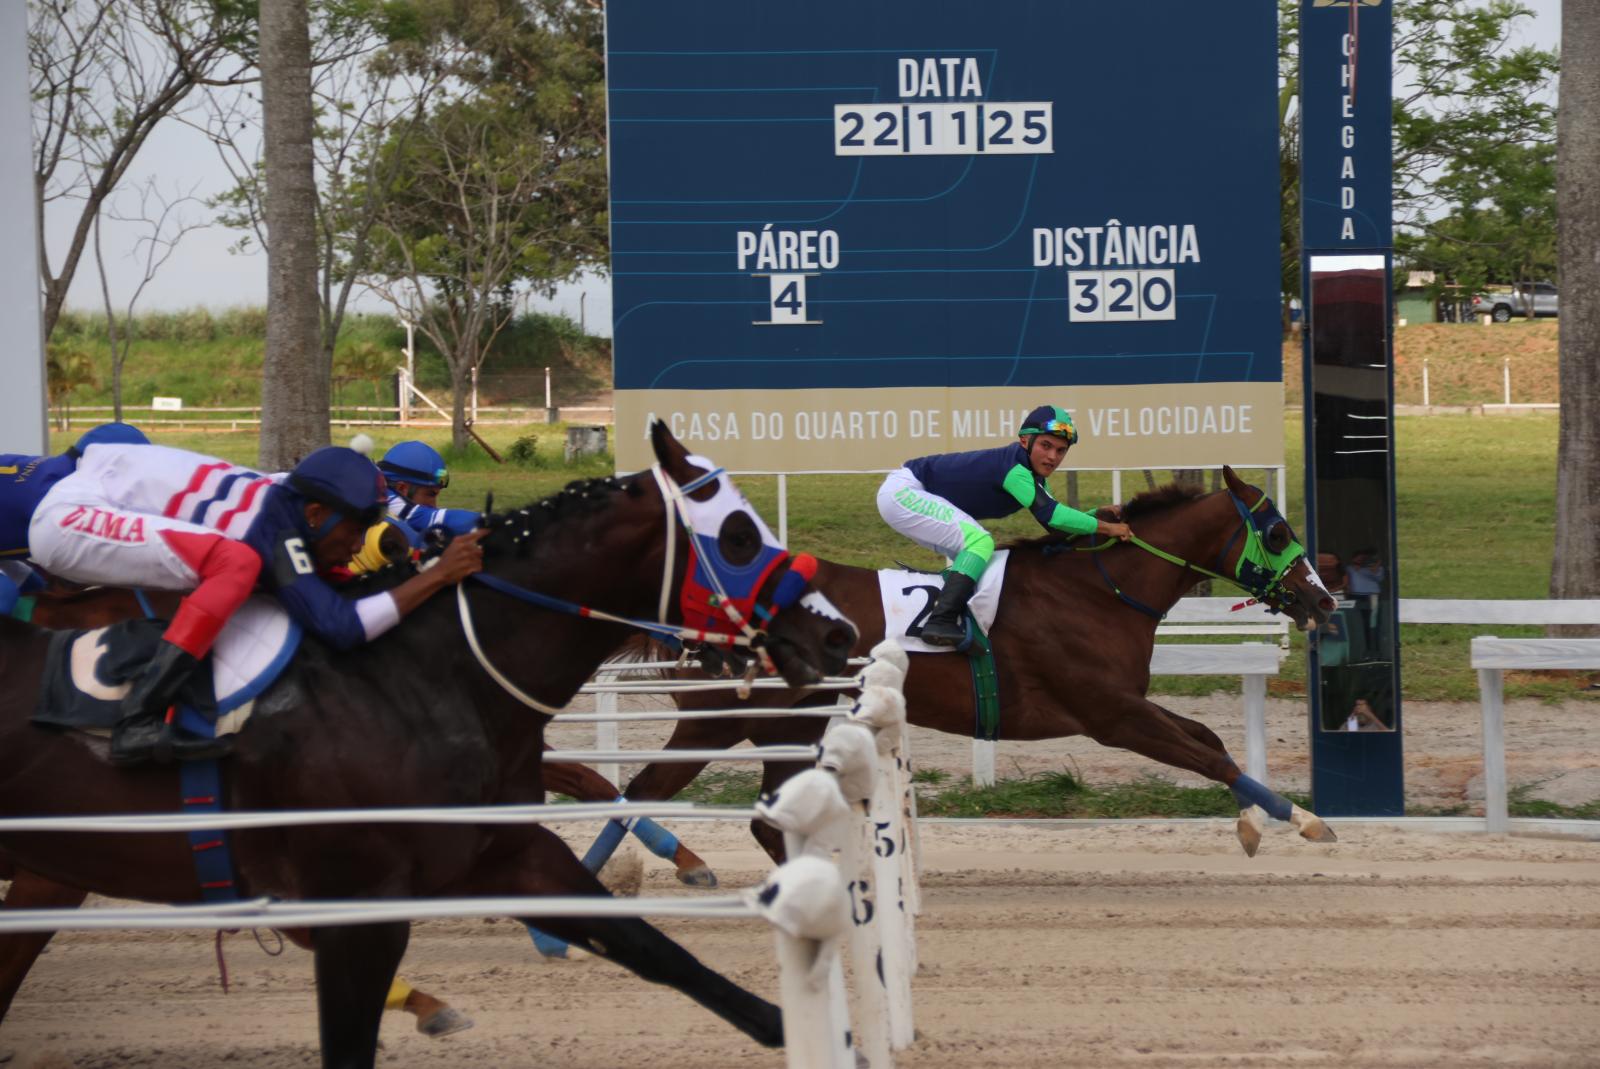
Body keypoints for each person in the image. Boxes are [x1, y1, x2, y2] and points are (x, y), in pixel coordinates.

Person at [19, 440, 486, 764]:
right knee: (238, 564)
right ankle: (140, 716)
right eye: (354, 530)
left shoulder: (298, 498)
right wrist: (440, 575)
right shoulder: (273, 531)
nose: (357, 543)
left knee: (244, 570)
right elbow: (342, 626)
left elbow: (335, 585)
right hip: (67, 517)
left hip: (111, 480)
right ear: (316, 514)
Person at [876, 404, 1133, 647]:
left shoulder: (1032, 476)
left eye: (1061, 450)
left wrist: (1094, 515)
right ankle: (940, 621)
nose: (1052, 456)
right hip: (904, 491)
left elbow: (1057, 526)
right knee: (980, 542)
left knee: (978, 559)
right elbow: (1053, 516)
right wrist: (1107, 528)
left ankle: (954, 619)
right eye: (1046, 445)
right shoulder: (1015, 470)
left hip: (904, 494)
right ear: (1025, 441)